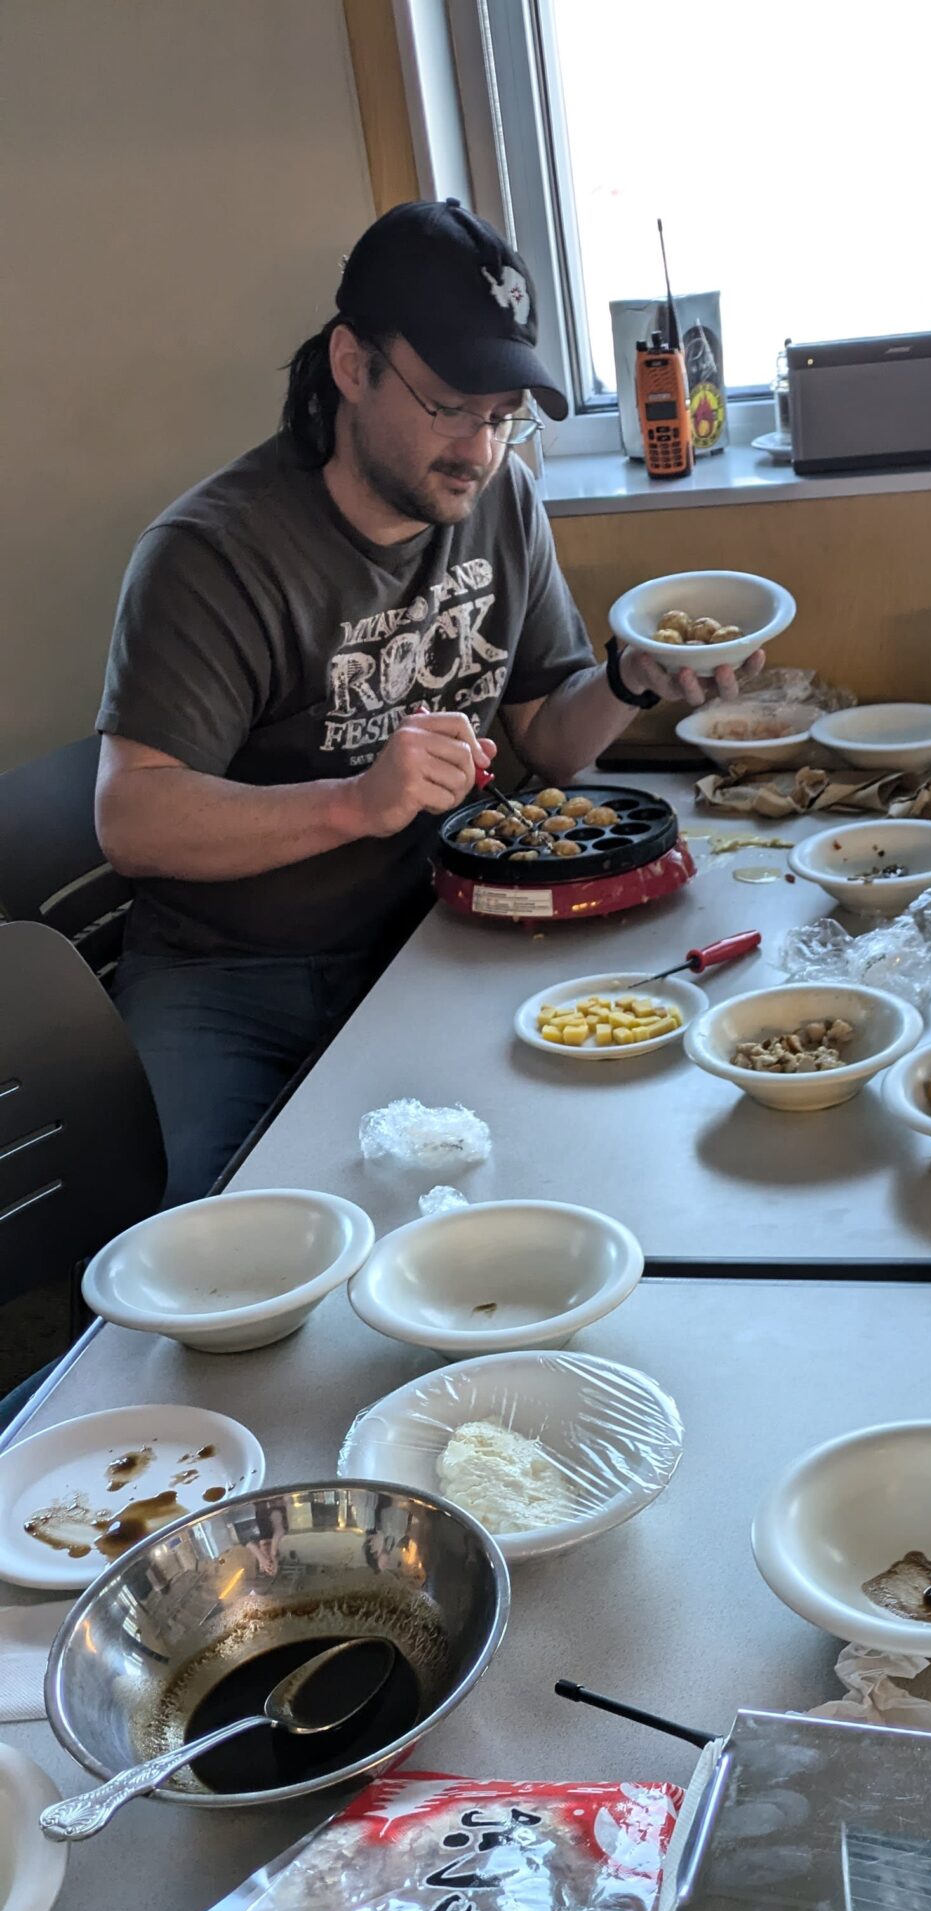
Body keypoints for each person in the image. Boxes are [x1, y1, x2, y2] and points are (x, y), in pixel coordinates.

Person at [96, 199, 759, 1203]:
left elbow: (547, 735)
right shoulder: (213, 554)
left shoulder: (500, 500)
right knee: (214, 1247)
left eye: (503, 416)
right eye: (452, 405)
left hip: (433, 932)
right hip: (231, 976)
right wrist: (355, 801)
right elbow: (131, 817)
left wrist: (633, 678)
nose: (481, 449)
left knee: (577, 1173)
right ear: (352, 365)